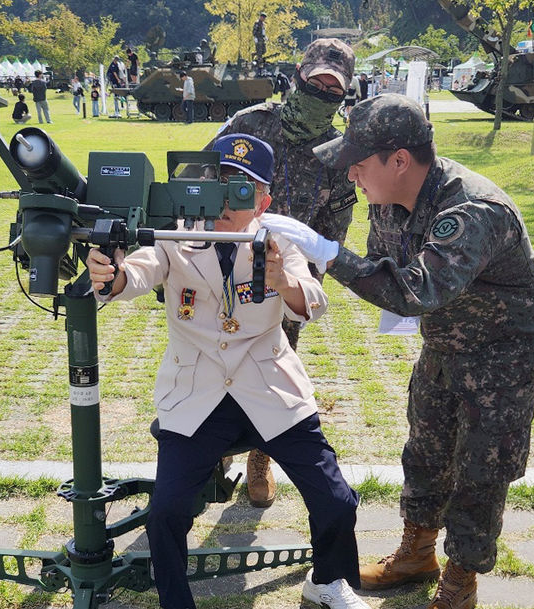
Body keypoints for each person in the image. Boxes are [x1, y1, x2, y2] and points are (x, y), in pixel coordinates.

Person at [261, 93, 534, 609]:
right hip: (447, 341)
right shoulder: (389, 201)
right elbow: (386, 270)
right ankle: (417, 553)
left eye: (358, 162)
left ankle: (460, 580)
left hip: (504, 355)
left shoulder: (471, 210)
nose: (351, 174)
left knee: (481, 471)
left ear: (399, 160)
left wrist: (329, 254)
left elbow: (414, 290)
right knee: (425, 450)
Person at [86, 133, 370, 609]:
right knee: (167, 514)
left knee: (337, 499)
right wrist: (110, 276)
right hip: (198, 393)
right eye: (219, 183)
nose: (227, 199)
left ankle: (327, 580)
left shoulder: (277, 237)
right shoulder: (174, 235)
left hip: (269, 389)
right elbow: (136, 271)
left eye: (243, 188)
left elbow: (313, 303)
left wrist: (284, 281)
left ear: (264, 199)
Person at [203, 37, 359, 508]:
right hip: (222, 266)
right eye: (317, 83)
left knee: (271, 371)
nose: (324, 94)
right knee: (214, 358)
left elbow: (337, 225)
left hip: (284, 276)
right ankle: (210, 458)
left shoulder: (340, 148)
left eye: (334, 89)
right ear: (299, 75)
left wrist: (305, 284)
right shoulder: (250, 123)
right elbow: (200, 180)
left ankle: (259, 458)